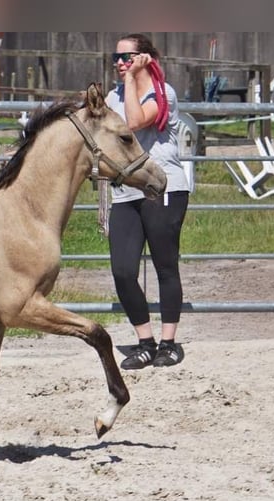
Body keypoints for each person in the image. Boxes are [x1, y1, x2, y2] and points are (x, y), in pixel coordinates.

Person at [104, 33, 191, 369]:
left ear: (146, 58)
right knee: (123, 271)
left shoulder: (162, 93)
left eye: (126, 57)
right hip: (125, 191)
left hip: (162, 187)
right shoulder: (113, 95)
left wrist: (131, 78)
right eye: (116, 57)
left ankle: (169, 342)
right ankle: (145, 340)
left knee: (165, 266)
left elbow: (134, 122)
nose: (119, 62)